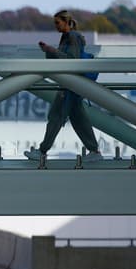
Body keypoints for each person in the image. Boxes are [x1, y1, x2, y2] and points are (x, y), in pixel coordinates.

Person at [24, 9, 102, 163]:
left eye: (57, 23)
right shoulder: (67, 37)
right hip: (71, 83)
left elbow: (72, 60)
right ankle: (94, 150)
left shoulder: (72, 37)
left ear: (66, 22)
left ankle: (42, 151)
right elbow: (63, 59)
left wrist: (51, 50)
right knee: (78, 119)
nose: (56, 26)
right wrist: (48, 50)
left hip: (70, 84)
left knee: (56, 116)